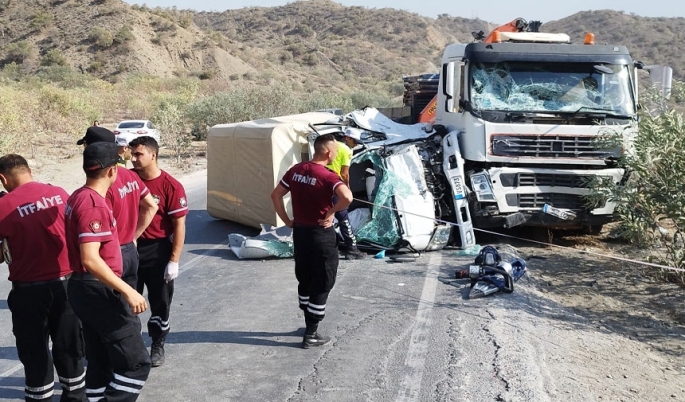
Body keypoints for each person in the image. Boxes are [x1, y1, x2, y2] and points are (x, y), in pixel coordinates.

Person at [65, 142, 150, 402]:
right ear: (113, 171)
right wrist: (128, 290)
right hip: (96, 290)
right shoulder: (94, 204)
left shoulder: (78, 195)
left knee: (100, 361)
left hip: (84, 288)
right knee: (136, 364)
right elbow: (90, 259)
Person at [0, 154, 86, 401]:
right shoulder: (59, 193)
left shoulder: (4, 207)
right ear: (29, 170)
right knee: (70, 349)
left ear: (3, 178)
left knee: (34, 353)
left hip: (29, 292)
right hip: (67, 286)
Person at [271, 134, 353, 348]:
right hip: (320, 235)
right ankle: (312, 333)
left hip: (300, 233)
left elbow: (275, 195)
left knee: (305, 277)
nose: (335, 153)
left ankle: (308, 321)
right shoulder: (328, 176)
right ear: (328, 153)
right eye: (335, 150)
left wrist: (287, 220)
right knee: (324, 280)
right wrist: (332, 213)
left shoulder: (296, 170)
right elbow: (347, 197)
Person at [129, 136, 188, 367]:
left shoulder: (170, 186)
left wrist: (173, 260)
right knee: (126, 302)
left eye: (138, 154)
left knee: (160, 303)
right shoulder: (128, 180)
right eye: (131, 154)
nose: (133, 159)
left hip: (157, 251)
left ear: (153, 155)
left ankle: (157, 343)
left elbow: (179, 225)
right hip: (129, 250)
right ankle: (131, 347)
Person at [81, 127, 158, 289]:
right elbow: (151, 206)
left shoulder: (101, 184)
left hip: (110, 255)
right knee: (127, 307)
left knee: (109, 308)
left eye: (85, 146)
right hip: (129, 251)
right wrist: (133, 237)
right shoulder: (129, 175)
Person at [326, 130, 365, 260]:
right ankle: (351, 249)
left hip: (322, 186)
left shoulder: (330, 145)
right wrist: (347, 188)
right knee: (343, 218)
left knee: (326, 218)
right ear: (347, 138)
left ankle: (330, 247)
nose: (355, 145)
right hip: (336, 187)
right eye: (354, 141)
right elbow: (344, 174)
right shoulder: (346, 150)